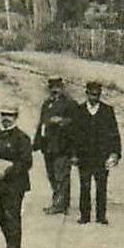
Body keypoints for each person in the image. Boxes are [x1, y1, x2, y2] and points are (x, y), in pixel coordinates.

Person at [0, 105, 34, 248]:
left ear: (16, 117)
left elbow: (27, 162)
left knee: (12, 219)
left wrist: (9, 170)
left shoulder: (22, 138)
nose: (6, 118)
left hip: (14, 185)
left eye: (10, 115)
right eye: (4, 115)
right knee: (3, 219)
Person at [70, 80, 122, 224]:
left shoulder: (107, 111)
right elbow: (73, 135)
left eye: (97, 95)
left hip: (101, 157)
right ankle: (84, 216)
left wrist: (115, 154)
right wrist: (73, 154)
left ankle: (101, 216)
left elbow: (114, 134)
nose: (94, 98)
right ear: (86, 94)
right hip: (84, 157)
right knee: (84, 187)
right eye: (92, 95)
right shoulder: (79, 111)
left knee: (101, 187)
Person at [32, 75, 78, 215]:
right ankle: (57, 200)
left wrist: (62, 121)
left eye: (57, 87)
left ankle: (61, 204)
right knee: (51, 175)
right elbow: (41, 124)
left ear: (62, 88)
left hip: (62, 145)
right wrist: (37, 142)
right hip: (48, 146)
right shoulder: (46, 104)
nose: (54, 90)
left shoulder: (70, 103)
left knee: (61, 176)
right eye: (52, 88)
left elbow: (76, 124)